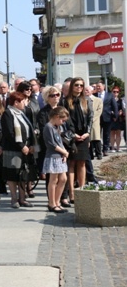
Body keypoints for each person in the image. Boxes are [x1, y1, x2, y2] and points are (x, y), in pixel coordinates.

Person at [1, 91, 35, 208]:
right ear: (16, 102)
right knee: (13, 175)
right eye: (23, 101)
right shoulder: (8, 114)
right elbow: (9, 134)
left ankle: (22, 198)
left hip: (25, 150)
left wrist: (30, 145)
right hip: (13, 150)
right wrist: (21, 146)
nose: (25, 103)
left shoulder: (21, 113)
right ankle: (14, 198)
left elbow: (28, 130)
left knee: (23, 174)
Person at [63, 77, 92, 206]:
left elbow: (90, 118)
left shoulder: (86, 101)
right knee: (71, 163)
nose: (79, 88)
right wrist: (72, 134)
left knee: (82, 163)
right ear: (72, 87)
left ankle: (82, 190)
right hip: (71, 136)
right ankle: (72, 193)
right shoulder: (65, 101)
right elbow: (64, 120)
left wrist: (87, 133)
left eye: (81, 85)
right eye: (76, 85)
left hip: (84, 136)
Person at [42, 106, 70, 213]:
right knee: (53, 180)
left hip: (60, 156)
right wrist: (64, 152)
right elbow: (51, 144)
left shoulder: (57, 127)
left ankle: (57, 201)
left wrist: (64, 152)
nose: (63, 122)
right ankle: (52, 203)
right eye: (62, 120)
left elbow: (60, 142)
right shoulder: (48, 127)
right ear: (57, 117)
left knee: (63, 179)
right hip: (53, 156)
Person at [95, 80, 118, 156]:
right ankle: (97, 150)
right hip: (97, 118)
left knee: (106, 134)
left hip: (107, 117)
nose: (98, 87)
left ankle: (105, 150)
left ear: (103, 87)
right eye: (97, 86)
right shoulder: (94, 95)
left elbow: (114, 105)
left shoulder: (109, 95)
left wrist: (115, 115)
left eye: (99, 86)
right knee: (97, 134)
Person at [110, 86, 123, 152]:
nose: (115, 93)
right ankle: (112, 147)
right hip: (111, 118)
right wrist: (113, 114)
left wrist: (120, 112)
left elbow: (121, 108)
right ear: (112, 92)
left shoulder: (120, 100)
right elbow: (108, 108)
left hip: (118, 118)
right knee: (112, 133)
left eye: (117, 92)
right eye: (114, 91)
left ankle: (118, 147)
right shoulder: (109, 99)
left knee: (118, 133)